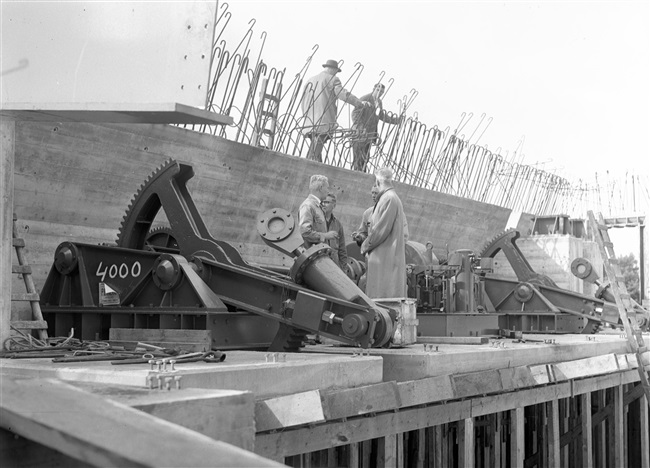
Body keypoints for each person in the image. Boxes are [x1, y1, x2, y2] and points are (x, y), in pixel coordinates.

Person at [300, 59, 367, 163]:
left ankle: (317, 166)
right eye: (336, 71)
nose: (336, 73)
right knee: (316, 148)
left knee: (316, 146)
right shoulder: (333, 79)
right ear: (332, 69)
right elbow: (343, 94)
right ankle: (307, 165)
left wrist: (306, 114)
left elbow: (303, 99)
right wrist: (358, 103)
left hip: (309, 119)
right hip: (323, 119)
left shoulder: (310, 80)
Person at [360, 167, 407, 298]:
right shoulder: (388, 198)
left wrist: (365, 246)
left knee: (383, 296)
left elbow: (380, 230)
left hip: (385, 260)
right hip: (385, 259)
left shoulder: (388, 199)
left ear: (378, 182)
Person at [350, 83, 403, 172]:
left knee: (365, 158)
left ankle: (362, 175)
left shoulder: (379, 102)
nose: (380, 93)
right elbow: (355, 114)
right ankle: (357, 176)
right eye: (378, 90)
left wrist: (396, 121)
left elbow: (381, 115)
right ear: (373, 89)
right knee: (358, 158)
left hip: (369, 135)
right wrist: (360, 128)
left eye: (382, 91)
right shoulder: (365, 98)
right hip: (360, 134)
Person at [298, 174, 338, 249]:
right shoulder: (308, 206)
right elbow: (305, 232)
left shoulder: (317, 206)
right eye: (327, 187)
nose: (328, 190)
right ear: (321, 188)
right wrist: (325, 235)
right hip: (312, 255)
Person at [321, 192, 348, 270]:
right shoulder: (317, 221)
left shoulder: (338, 224)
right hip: (320, 264)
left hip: (334, 265)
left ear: (334, 205)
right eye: (322, 202)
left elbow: (342, 249)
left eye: (327, 202)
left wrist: (344, 269)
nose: (323, 204)